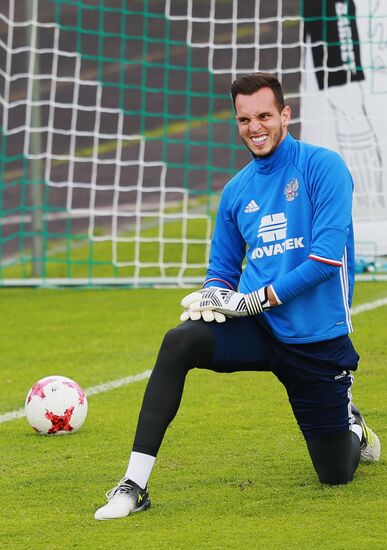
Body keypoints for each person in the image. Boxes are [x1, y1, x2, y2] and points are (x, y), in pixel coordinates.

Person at [94, 72, 380, 520]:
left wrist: (253, 300)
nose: (255, 127)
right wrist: (213, 297)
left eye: (265, 115)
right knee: (179, 341)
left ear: (285, 115)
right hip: (257, 327)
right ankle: (133, 485)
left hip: (315, 340)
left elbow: (326, 262)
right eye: (244, 119)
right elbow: (222, 272)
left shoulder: (323, 167)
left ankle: (352, 427)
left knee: (336, 473)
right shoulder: (236, 191)